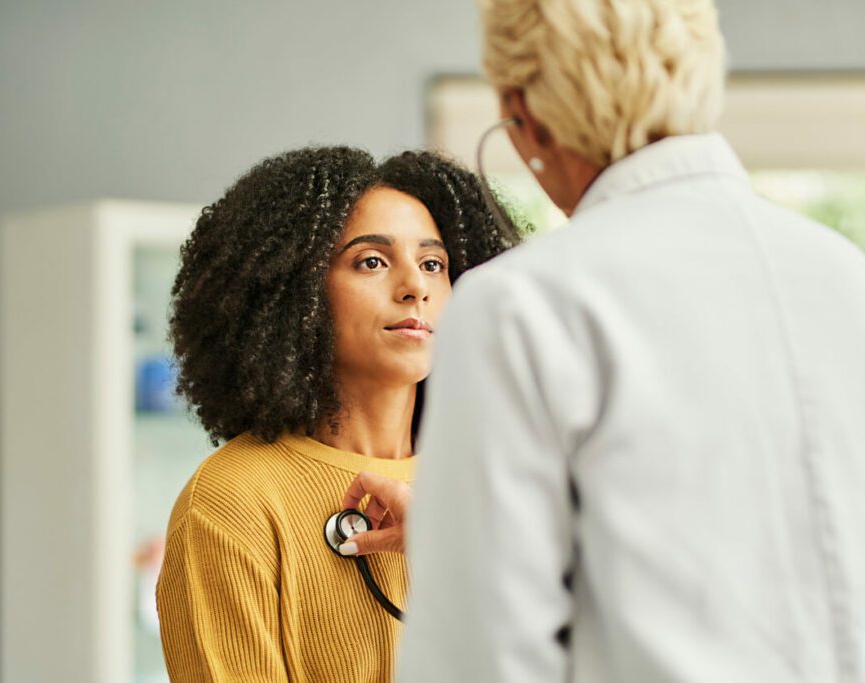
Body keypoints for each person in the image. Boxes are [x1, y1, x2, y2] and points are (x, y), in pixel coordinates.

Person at [378, 1, 865, 681]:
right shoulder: (845, 277)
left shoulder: (520, 305)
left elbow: (480, 659)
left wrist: (458, 542)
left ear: (522, 110)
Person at [155, 146, 519, 682]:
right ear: (293, 292)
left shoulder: (497, 481)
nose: (414, 286)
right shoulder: (230, 502)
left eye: (433, 264)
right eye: (371, 261)